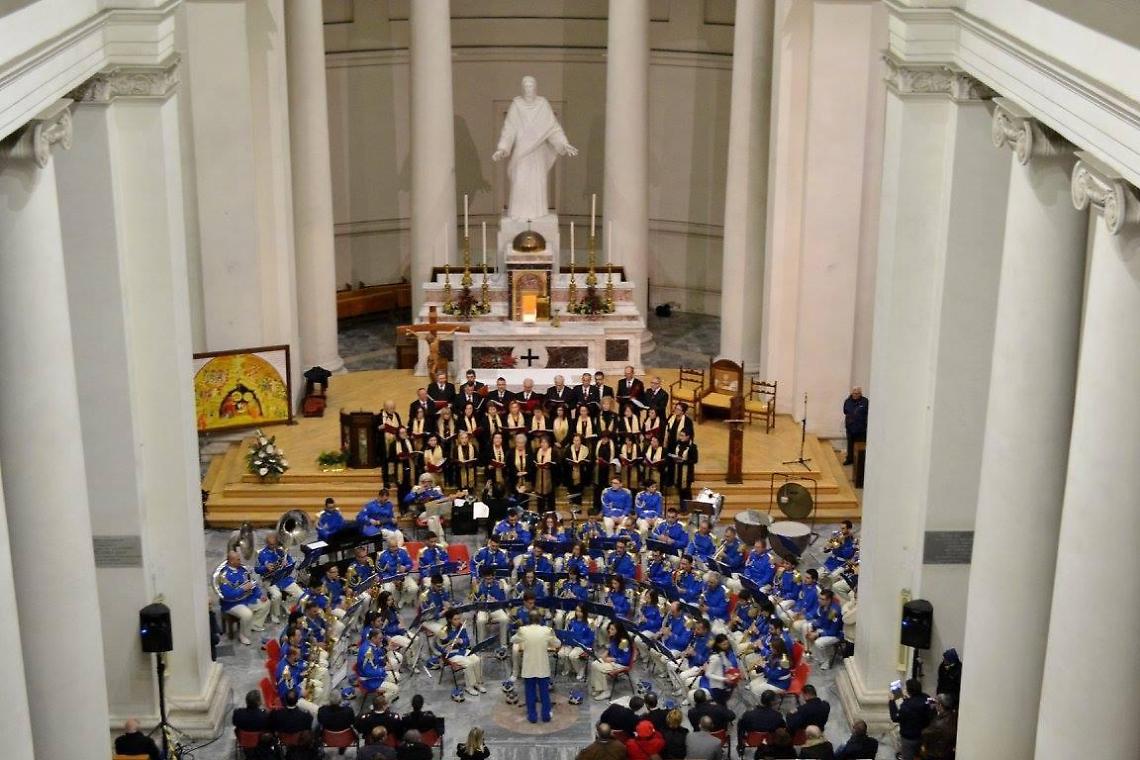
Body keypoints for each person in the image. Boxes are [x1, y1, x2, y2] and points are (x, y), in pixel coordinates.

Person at [511, 607, 559, 722]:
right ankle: (546, 716)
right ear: (540, 619)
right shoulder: (547, 630)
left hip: (529, 668)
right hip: (542, 667)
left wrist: (519, 630)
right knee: (544, 693)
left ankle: (532, 717)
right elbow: (557, 643)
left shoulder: (523, 630)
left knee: (530, 693)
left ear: (528, 619)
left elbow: (513, 640)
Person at [888, 678, 933, 760]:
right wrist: (909, 699)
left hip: (909, 738)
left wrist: (891, 702)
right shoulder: (927, 698)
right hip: (923, 733)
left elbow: (895, 717)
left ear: (909, 690)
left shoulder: (906, 706)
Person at [842, 387, 868, 466]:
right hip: (850, 428)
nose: (856, 395)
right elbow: (845, 411)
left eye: (858, 393)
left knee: (860, 446)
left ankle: (860, 461)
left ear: (861, 394)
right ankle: (849, 459)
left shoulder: (865, 402)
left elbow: (867, 412)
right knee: (850, 444)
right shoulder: (847, 401)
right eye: (854, 393)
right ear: (852, 393)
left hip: (861, 428)